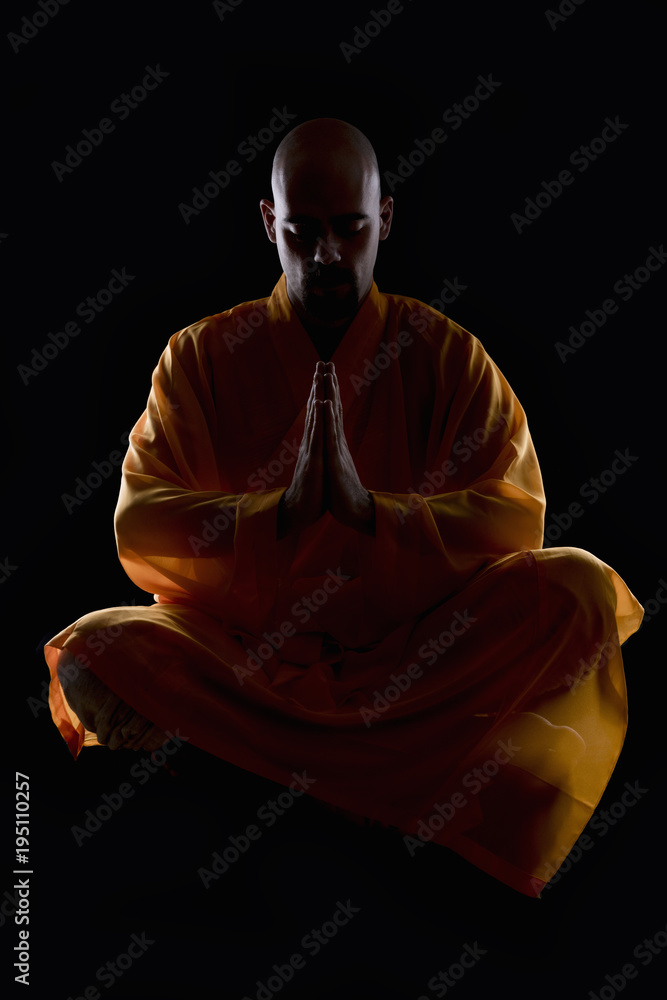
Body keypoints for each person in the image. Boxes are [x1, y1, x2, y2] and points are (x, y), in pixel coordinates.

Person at [44, 118, 643, 896]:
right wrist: (279, 512)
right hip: (247, 658)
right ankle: (395, 783)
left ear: (384, 219)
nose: (326, 256)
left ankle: (294, 768)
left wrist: (371, 513)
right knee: (96, 650)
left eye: (350, 230)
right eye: (302, 233)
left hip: (414, 662)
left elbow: (513, 520)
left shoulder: (445, 354)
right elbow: (140, 527)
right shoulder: (198, 358)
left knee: (578, 589)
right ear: (268, 223)